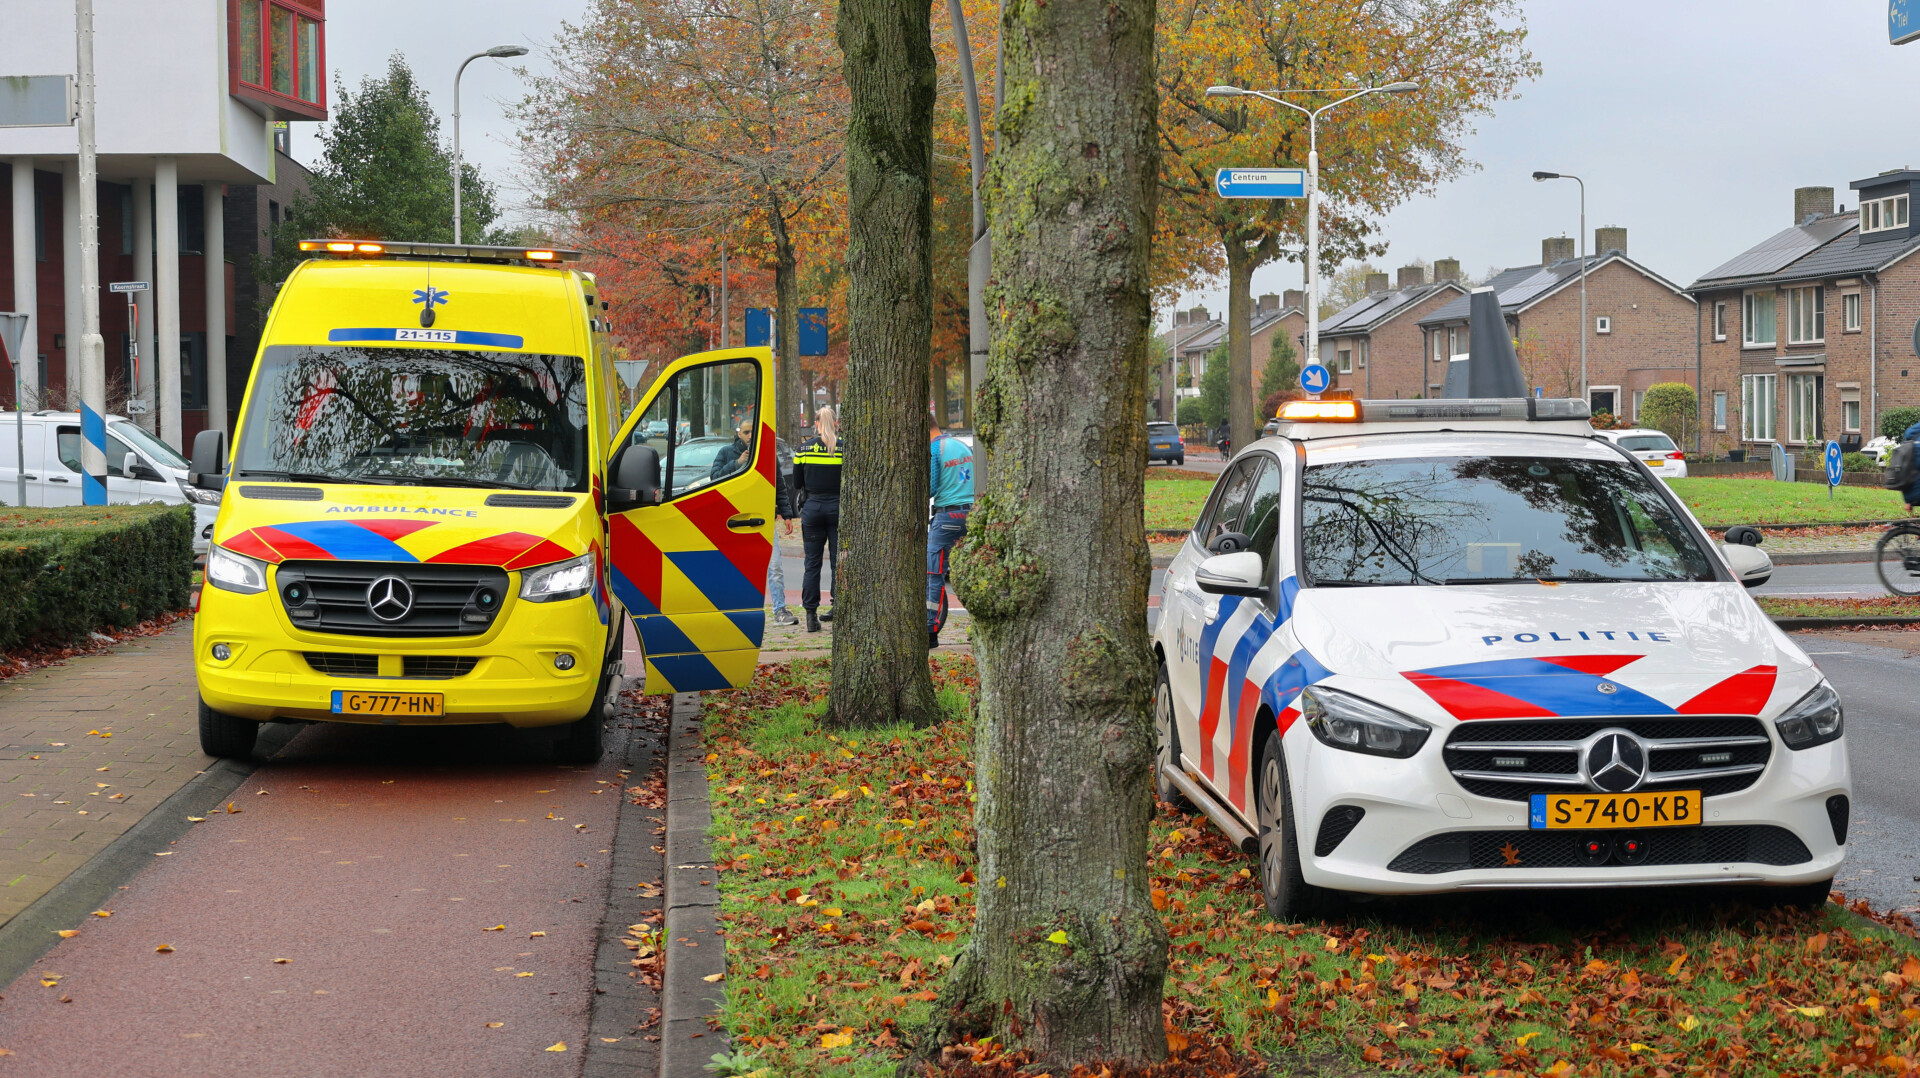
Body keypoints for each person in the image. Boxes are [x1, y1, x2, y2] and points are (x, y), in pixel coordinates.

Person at [792, 406, 843, 633]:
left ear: (816, 423)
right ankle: (837, 608)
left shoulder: (803, 449)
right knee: (837, 561)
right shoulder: (843, 448)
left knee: (812, 563)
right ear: (836, 423)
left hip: (812, 508)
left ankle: (811, 616)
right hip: (838, 508)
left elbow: (796, 484)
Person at [926, 418, 975, 649]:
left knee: (934, 573)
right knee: (970, 573)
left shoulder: (936, 448)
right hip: (972, 515)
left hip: (947, 518)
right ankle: (977, 627)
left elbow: (931, 488)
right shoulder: (962, 446)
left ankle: (930, 629)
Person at [767, 435, 798, 626]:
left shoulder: (770, 457)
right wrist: (738, 462)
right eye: (745, 432)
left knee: (775, 566)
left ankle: (779, 609)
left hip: (764, 520)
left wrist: (787, 515)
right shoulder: (729, 453)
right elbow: (717, 475)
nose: (749, 436)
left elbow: (780, 487)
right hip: (737, 521)